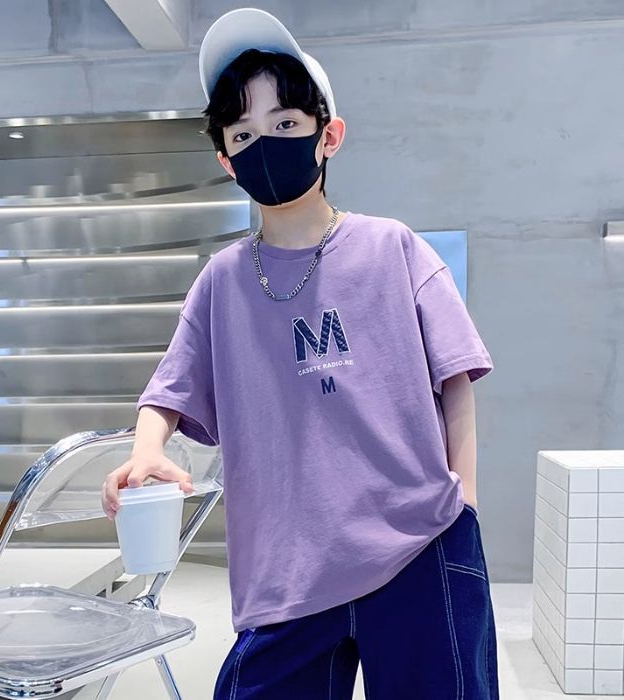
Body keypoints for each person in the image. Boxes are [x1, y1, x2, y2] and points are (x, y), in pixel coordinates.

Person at [101, 7, 499, 699]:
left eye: (285, 124)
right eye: (243, 134)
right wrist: (144, 453)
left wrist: (463, 503)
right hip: (287, 570)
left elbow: (456, 377)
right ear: (226, 161)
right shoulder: (222, 281)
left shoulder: (393, 248)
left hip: (419, 545)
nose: (265, 143)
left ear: (328, 135)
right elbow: (167, 390)